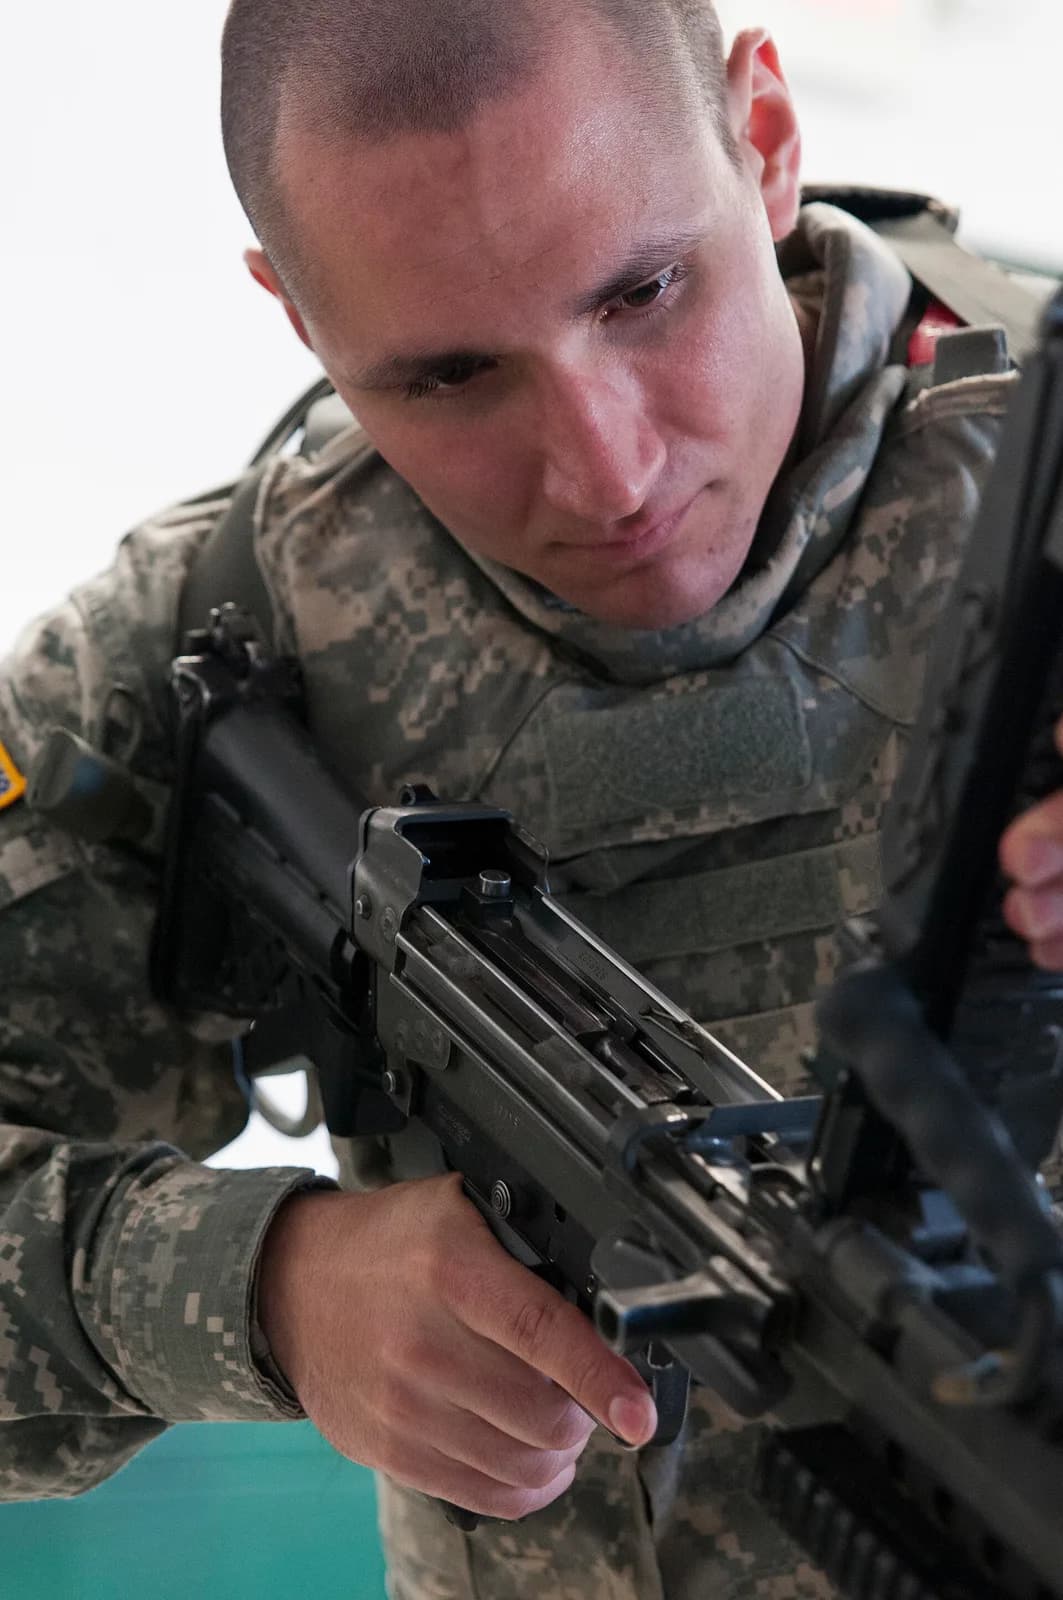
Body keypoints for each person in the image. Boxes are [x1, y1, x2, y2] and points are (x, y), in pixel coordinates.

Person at [0, 1, 1058, 1595]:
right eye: (446, 376)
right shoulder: (203, 644)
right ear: (296, 316)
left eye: (644, 292)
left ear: (761, 138)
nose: (605, 471)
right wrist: (267, 1288)